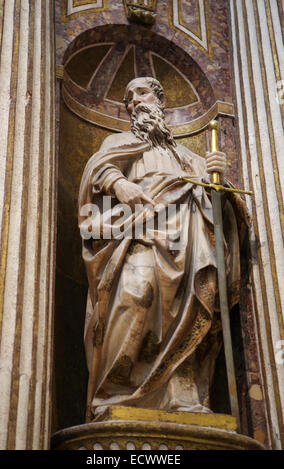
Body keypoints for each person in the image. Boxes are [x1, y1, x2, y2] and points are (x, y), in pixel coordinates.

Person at [78, 77, 248, 422]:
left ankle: (182, 397)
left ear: (160, 100)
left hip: (189, 238)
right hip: (137, 231)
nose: (133, 102)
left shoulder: (187, 156)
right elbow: (97, 169)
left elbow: (220, 204)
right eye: (127, 98)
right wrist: (120, 184)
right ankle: (118, 393)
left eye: (141, 93)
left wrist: (219, 180)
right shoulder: (119, 142)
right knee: (135, 294)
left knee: (193, 307)